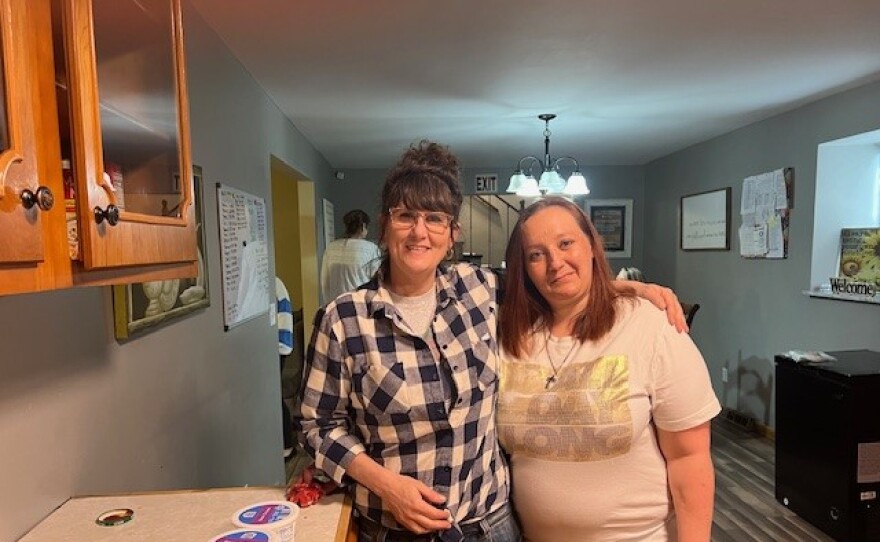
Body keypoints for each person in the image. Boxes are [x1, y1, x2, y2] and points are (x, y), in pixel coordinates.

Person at [294, 141, 686, 542]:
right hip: (395, 530)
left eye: (434, 219)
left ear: (452, 234)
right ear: (384, 225)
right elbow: (318, 425)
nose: (419, 231)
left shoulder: (479, 290)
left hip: (490, 524)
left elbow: (555, 285)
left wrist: (629, 287)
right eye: (405, 216)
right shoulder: (343, 320)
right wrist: (384, 484)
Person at [497, 197, 720, 542]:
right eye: (536, 255)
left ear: (591, 246)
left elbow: (689, 459)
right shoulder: (510, 335)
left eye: (566, 243)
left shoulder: (650, 327)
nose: (555, 262)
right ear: (524, 268)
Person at [320, 209, 382, 303]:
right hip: (361, 305)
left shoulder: (331, 248)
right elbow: (377, 282)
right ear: (363, 226)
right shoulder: (371, 249)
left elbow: (324, 281)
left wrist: (328, 304)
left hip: (336, 304)